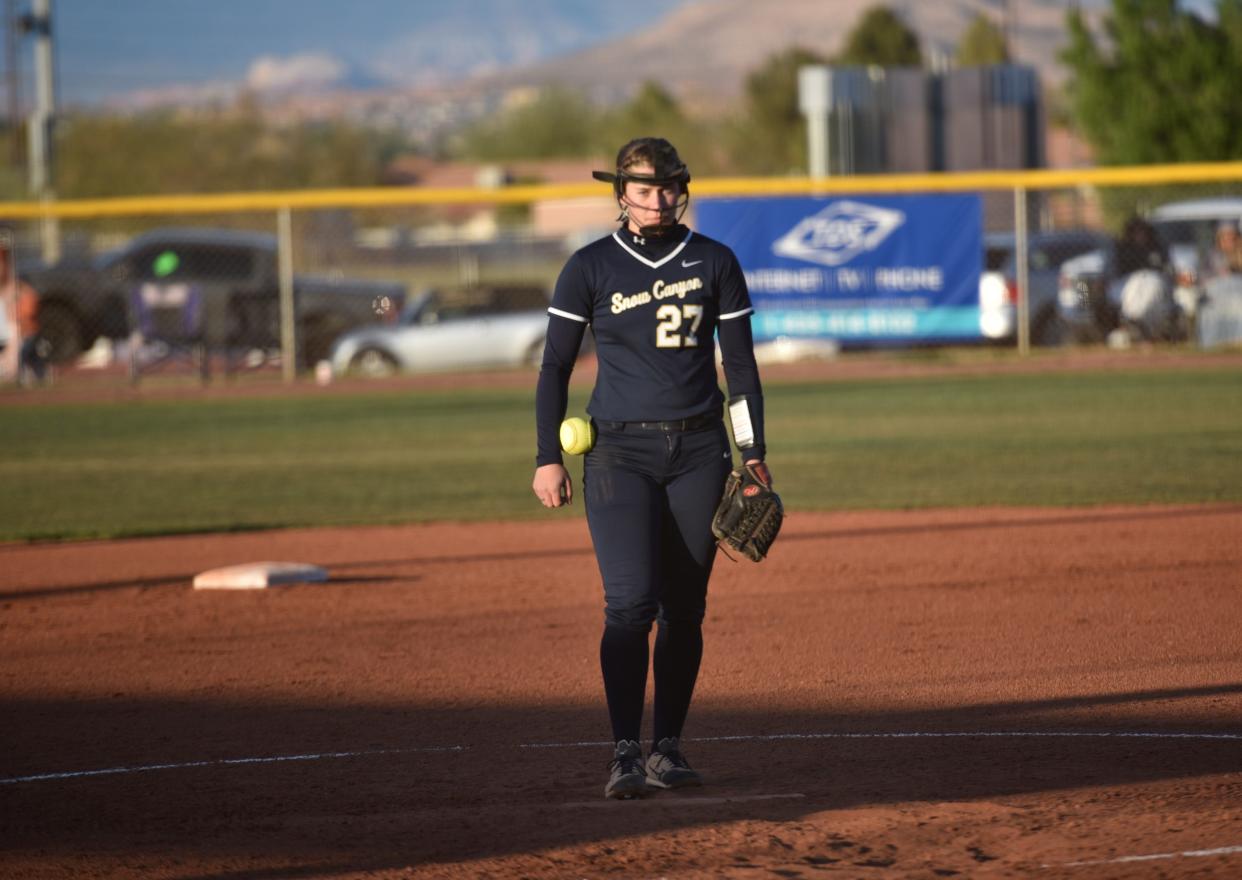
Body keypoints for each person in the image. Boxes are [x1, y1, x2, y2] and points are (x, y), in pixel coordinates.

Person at [531, 137, 771, 799]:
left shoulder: (715, 262)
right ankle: (623, 754)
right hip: (618, 454)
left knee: (685, 610)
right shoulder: (590, 266)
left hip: (700, 450)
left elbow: (742, 369)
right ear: (621, 194)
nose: (657, 199)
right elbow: (553, 367)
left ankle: (667, 747)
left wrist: (753, 453)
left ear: (681, 188)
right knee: (630, 603)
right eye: (643, 188)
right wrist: (547, 457)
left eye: (667, 187)